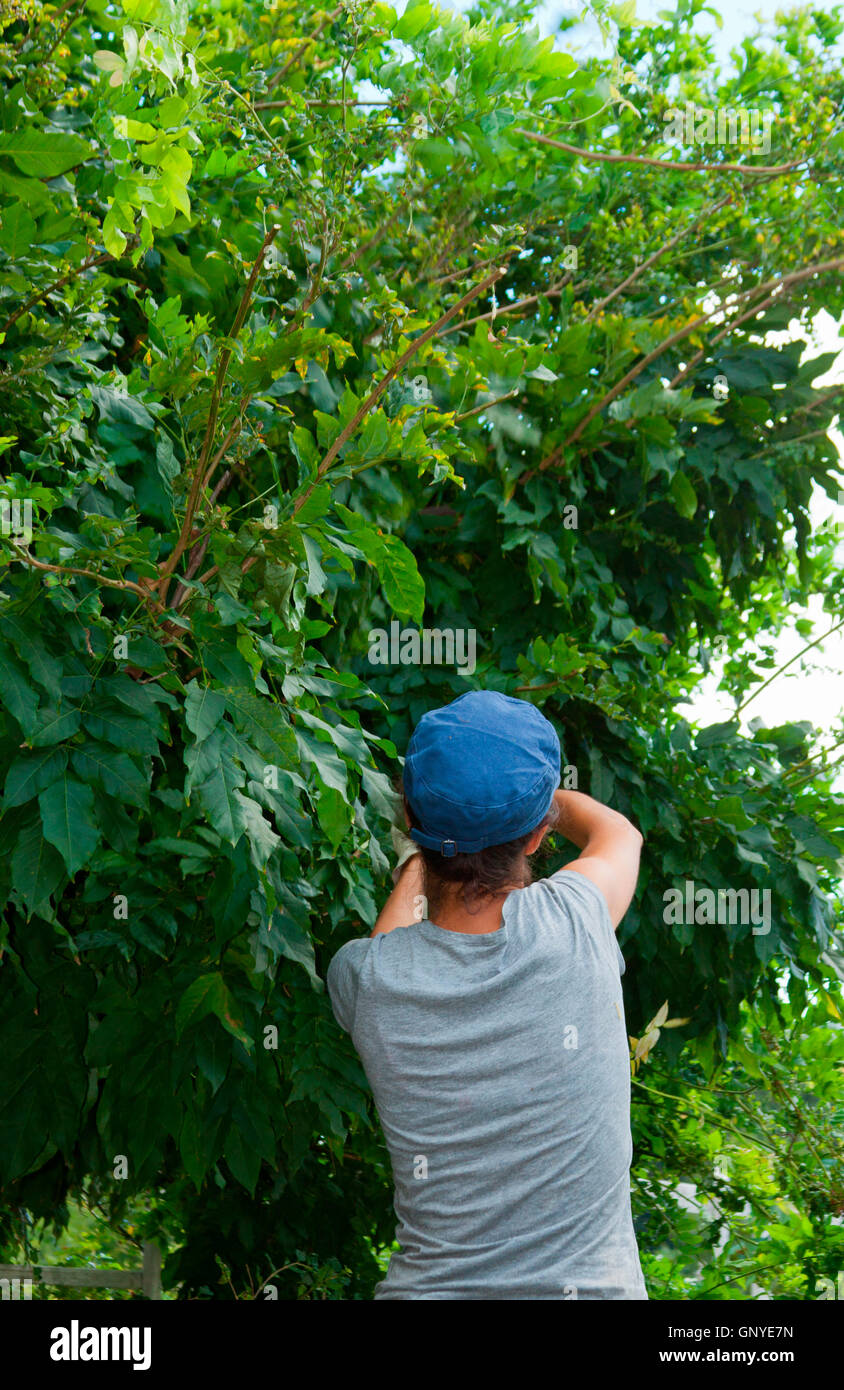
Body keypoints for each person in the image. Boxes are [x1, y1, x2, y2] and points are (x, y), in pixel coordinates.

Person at [326, 689, 647, 1300]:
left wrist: (439, 837)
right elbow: (618, 834)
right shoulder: (577, 920)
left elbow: (397, 935)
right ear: (534, 838)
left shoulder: (367, 980)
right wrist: (527, 796)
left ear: (410, 821)